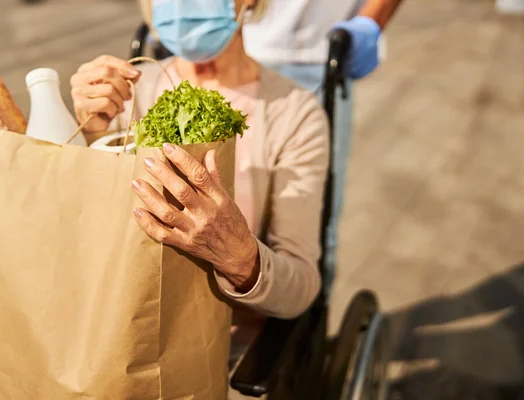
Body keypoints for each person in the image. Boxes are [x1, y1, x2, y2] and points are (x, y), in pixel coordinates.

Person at [70, 0, 329, 379]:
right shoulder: (129, 96)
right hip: (123, 334)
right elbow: (89, 235)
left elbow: (301, 288)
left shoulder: (293, 114)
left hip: (222, 348)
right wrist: (91, 133)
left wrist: (240, 256)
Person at [243, 0, 404, 294]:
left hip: (318, 60)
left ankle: (309, 323)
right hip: (234, 44)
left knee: (310, 224)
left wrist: (369, 23)